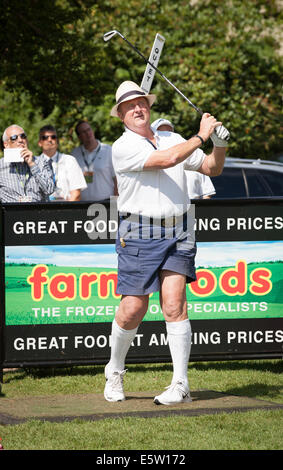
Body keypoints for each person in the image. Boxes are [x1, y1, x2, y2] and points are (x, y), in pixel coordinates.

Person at [104, 80, 229, 406]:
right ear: (121, 115)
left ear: (149, 105)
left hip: (179, 229)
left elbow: (210, 169)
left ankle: (180, 384)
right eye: (129, 106)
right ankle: (115, 369)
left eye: (141, 102)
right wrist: (201, 135)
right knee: (134, 308)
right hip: (139, 231)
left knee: (174, 305)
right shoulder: (123, 146)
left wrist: (219, 145)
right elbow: (166, 160)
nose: (137, 108)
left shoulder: (173, 138)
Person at [151, 118, 216, 199]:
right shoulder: (152, 161)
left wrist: (199, 210)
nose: (167, 136)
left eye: (169, 133)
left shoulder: (193, 158)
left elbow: (207, 193)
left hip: (193, 206)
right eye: (161, 133)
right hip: (167, 207)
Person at [0, 124, 55, 202]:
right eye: (14, 138)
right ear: (6, 144)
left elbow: (49, 190)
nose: (20, 140)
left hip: (37, 212)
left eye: (23, 136)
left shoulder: (41, 162)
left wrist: (32, 164)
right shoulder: (1, 166)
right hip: (11, 213)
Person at [38, 125, 87, 201]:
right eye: (45, 137)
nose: (50, 140)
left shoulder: (69, 160)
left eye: (53, 137)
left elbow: (76, 193)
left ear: (57, 141)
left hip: (65, 209)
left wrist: (66, 211)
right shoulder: (34, 163)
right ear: (39, 143)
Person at [71, 121, 118, 201]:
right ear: (79, 137)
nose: (88, 133)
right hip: (82, 204)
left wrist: (114, 205)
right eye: (83, 132)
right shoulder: (74, 154)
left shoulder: (108, 151)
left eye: (89, 129)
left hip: (106, 202)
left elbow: (117, 179)